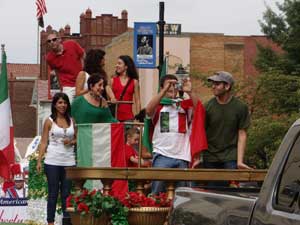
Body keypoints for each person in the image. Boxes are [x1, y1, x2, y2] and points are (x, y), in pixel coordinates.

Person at [146, 74, 205, 194]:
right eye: (168, 85)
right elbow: (148, 110)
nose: (172, 87)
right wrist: (164, 91)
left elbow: (199, 109)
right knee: (157, 192)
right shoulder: (159, 106)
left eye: (174, 85)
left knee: (185, 195)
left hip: (182, 156)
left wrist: (190, 91)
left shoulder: (183, 105)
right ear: (162, 87)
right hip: (162, 154)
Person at [204, 71, 251, 185]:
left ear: (227, 86)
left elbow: (242, 134)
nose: (213, 86)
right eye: (213, 83)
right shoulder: (208, 106)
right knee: (212, 190)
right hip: (210, 155)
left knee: (228, 190)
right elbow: (201, 132)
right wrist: (198, 157)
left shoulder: (240, 107)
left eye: (217, 83)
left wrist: (240, 161)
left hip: (230, 155)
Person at [37, 92, 76, 225]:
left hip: (69, 161)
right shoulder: (49, 121)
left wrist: (71, 142)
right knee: (53, 193)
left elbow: (77, 139)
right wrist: (39, 160)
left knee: (66, 193)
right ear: (54, 104)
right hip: (52, 161)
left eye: (65, 102)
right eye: (60, 102)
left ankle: (66, 221)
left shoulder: (72, 120)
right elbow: (43, 142)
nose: (62, 105)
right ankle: (50, 222)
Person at [46, 30, 85, 103]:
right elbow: (57, 72)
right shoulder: (49, 58)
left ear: (59, 39)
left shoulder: (71, 44)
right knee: (66, 105)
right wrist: (61, 88)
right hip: (68, 85)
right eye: (49, 41)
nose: (51, 42)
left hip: (82, 81)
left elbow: (82, 56)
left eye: (54, 39)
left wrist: (82, 74)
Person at [111, 55, 141, 122]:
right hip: (114, 118)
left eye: (119, 63)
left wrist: (139, 118)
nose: (116, 65)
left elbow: (137, 101)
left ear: (126, 66)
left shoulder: (134, 82)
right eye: (116, 63)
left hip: (128, 118)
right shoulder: (112, 80)